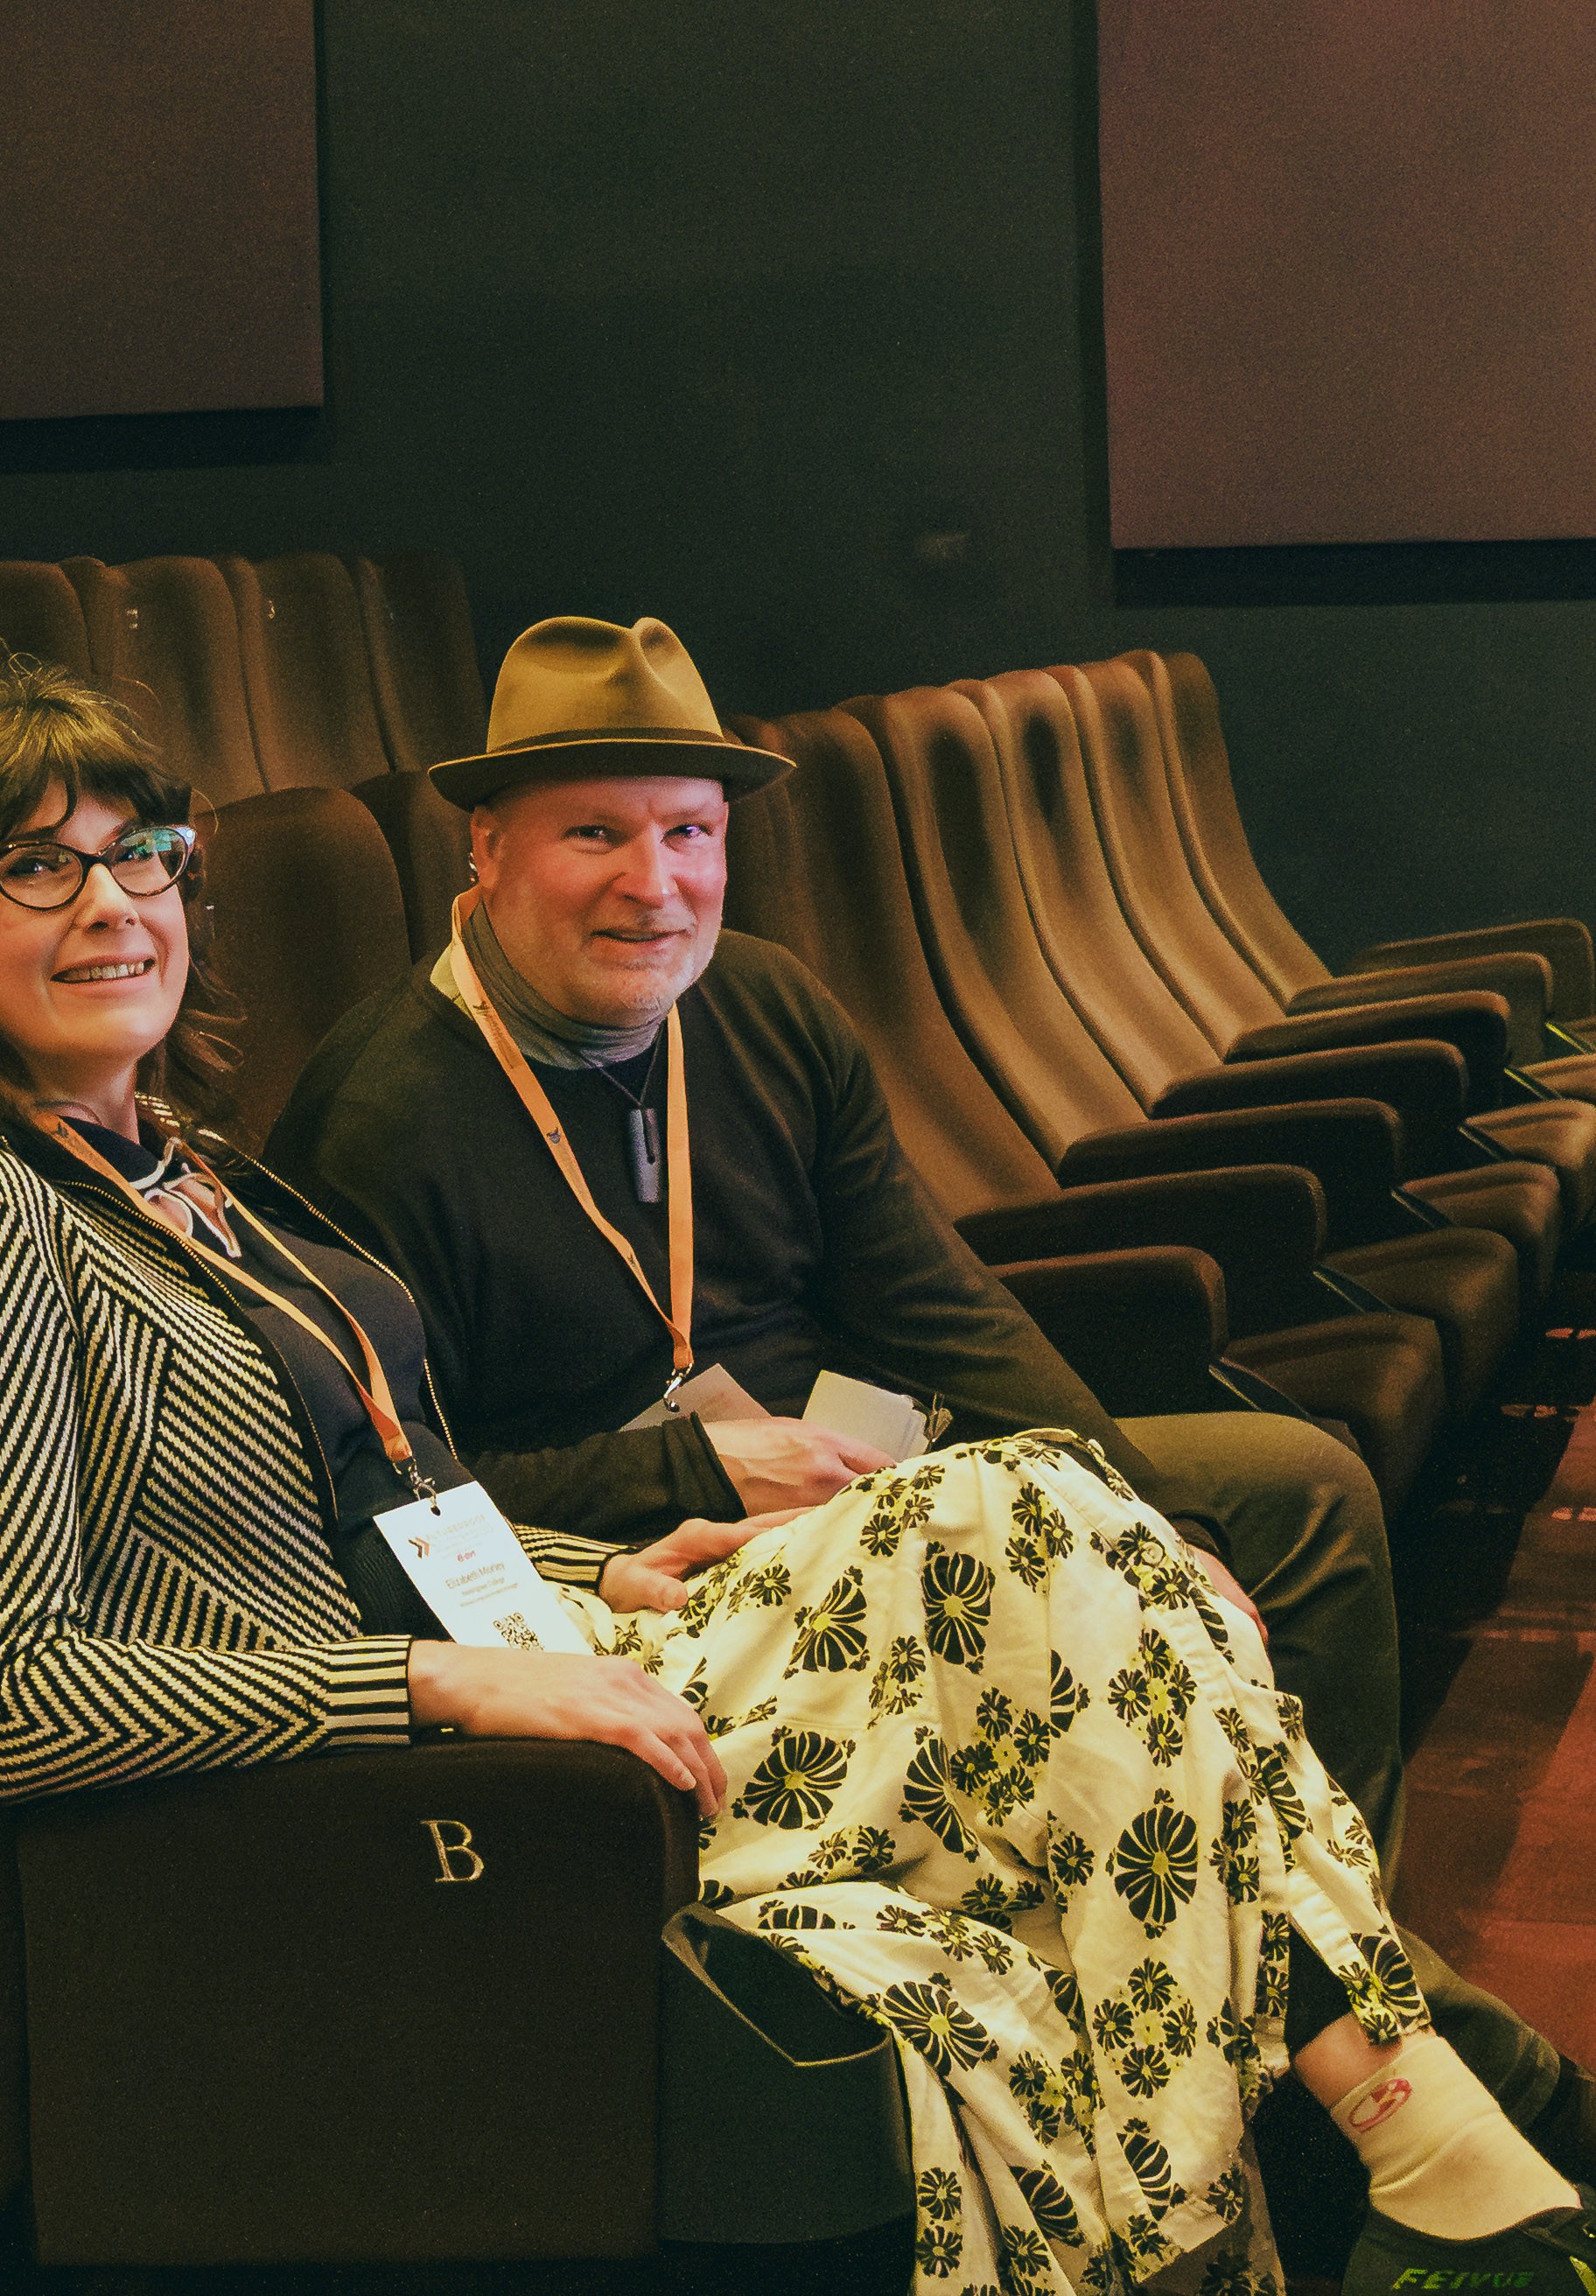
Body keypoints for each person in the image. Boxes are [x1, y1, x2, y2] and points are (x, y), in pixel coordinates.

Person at [0, 662, 1592, 2296]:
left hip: (545, 1639)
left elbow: (372, 1500)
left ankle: (1400, 2116)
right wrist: (449, 1678)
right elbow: (14, 1695)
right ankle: (1423, 2105)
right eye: (35, 869)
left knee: (1042, 1512)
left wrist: (587, 1567)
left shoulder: (170, 1164)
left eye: (142, 855)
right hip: (386, 1794)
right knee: (1036, 1557)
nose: (114, 905)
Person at [268, 615, 1592, 2176]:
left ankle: (1298, 1980)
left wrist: (1150, 1516)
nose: (656, 883)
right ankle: (1420, 2067)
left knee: (1285, 1495)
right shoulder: (379, 1116)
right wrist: (691, 1476)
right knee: (1098, 1602)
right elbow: (411, 1511)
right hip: (665, 1573)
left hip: (868, 1474)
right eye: (595, 835)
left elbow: (935, 1302)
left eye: (689, 831)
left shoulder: (764, 1007)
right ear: (485, 849)